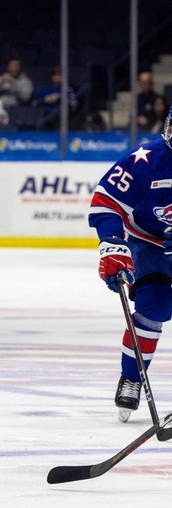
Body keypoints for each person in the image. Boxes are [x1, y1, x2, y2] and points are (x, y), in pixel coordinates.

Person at [88, 105, 172, 423]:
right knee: (155, 304)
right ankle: (133, 377)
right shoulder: (147, 160)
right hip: (150, 241)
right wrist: (112, 243)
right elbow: (107, 201)